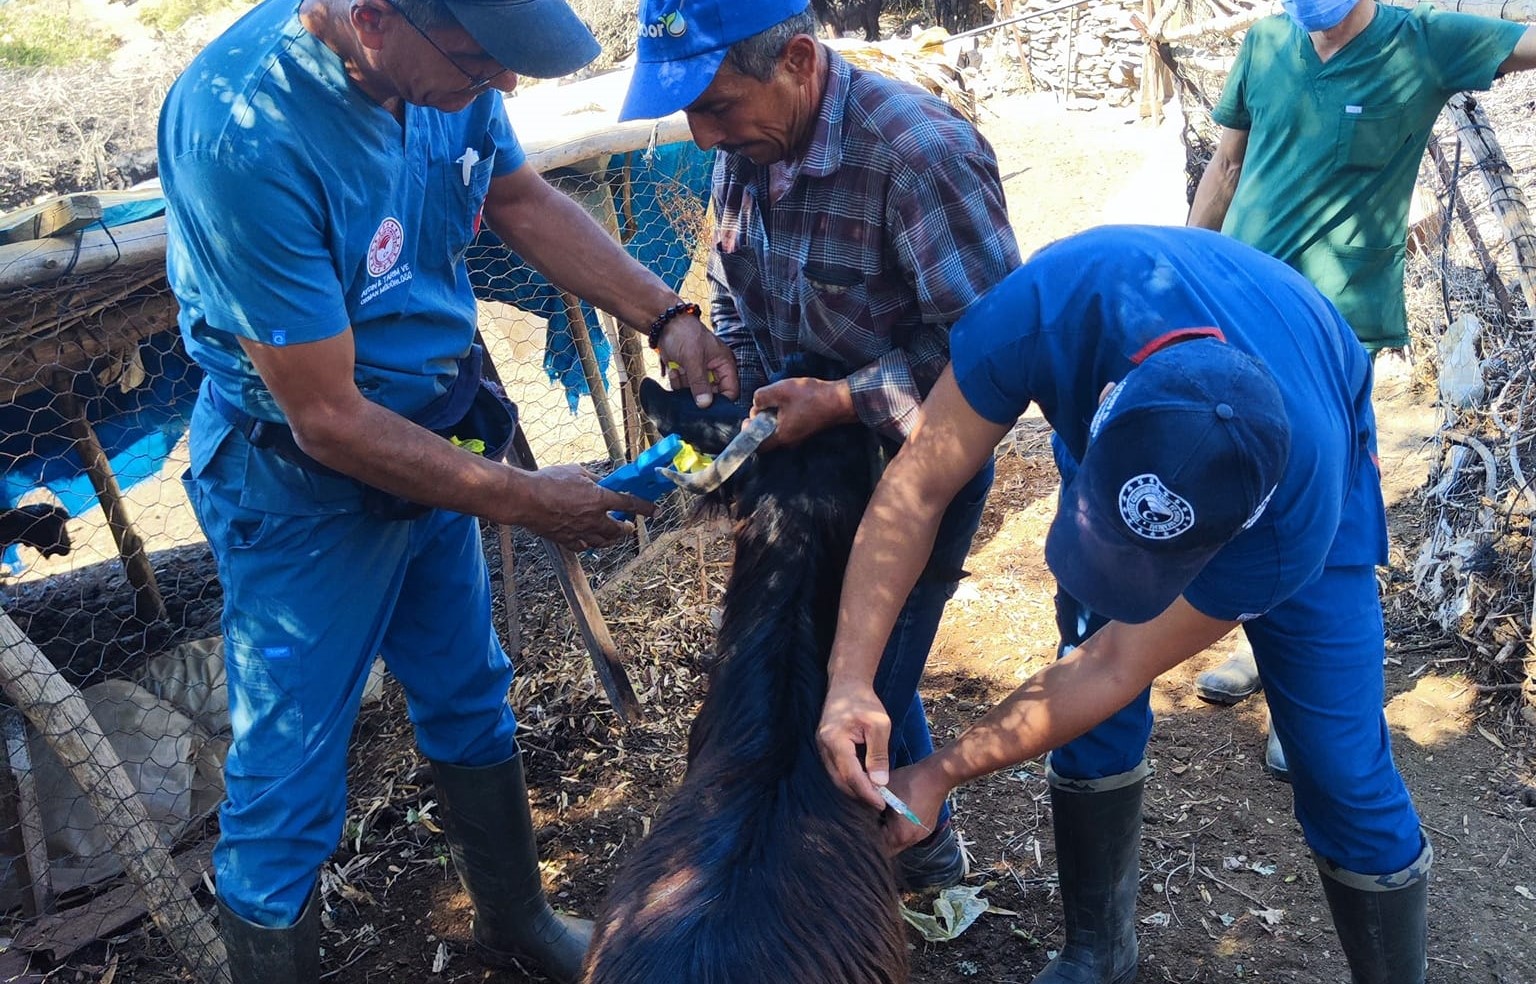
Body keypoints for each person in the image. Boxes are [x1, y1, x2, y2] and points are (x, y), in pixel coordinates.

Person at [158, 1, 742, 981]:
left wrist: (668, 315)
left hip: (435, 436)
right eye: (483, 64)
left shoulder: (444, 69)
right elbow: (329, 418)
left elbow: (517, 200)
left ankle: (518, 916)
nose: (504, 87)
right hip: (302, 488)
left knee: (470, 692)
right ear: (376, 18)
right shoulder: (245, 133)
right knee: (286, 786)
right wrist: (523, 499)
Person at [817, 225, 1433, 984]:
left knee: (1340, 764)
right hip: (1139, 398)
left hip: (1307, 432)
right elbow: (917, 488)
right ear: (1105, 407)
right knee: (1090, 689)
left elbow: (1112, 663)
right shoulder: (1047, 309)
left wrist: (940, 770)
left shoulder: (1287, 523)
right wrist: (850, 679)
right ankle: (1097, 951)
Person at [618, 0, 1021, 889]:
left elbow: (995, 357)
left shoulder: (916, 153)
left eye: (718, 107)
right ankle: (917, 844)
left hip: (916, 456)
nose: (702, 132)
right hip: (803, 458)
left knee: (870, 660)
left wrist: (844, 399)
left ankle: (897, 865)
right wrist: (736, 376)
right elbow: (735, 295)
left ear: (798, 60)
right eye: (690, 112)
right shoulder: (744, 149)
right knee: (832, 657)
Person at [1186, 0, 1536, 751]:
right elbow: (1227, 162)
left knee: (1326, 492)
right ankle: (1261, 641)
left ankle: (1313, 693)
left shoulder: (1427, 41)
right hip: (1240, 301)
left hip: (1332, 324)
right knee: (1248, 480)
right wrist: (1187, 271)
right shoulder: (1268, 40)